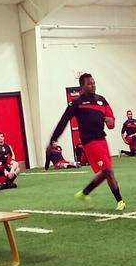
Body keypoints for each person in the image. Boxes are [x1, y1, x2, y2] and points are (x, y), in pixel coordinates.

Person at [49, 73, 126, 211]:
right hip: (89, 142)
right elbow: (63, 121)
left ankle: (84, 193)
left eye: (94, 83)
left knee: (105, 171)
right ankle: (120, 201)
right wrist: (53, 139)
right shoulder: (76, 103)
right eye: (89, 84)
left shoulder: (101, 100)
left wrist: (111, 121)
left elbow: (111, 122)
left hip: (102, 140)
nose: (93, 85)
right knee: (108, 170)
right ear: (82, 86)